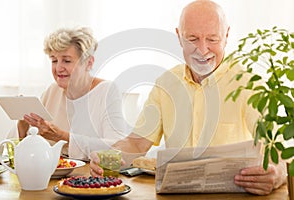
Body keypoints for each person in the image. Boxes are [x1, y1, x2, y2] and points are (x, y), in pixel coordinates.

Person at [89, 0, 287, 195]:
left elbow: (280, 152)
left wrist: (277, 174)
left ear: (226, 35)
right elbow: (137, 143)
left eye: (212, 39)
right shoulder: (165, 84)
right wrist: (106, 157)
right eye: (192, 39)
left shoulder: (250, 85)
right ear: (178, 37)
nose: (202, 50)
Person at [16, 27, 126, 161]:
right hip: (53, 176)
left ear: (88, 63)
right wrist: (22, 126)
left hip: (89, 176)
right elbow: (31, 150)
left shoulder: (106, 91)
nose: (58, 68)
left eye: (67, 61)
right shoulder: (52, 91)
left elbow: (118, 147)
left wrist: (61, 136)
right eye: (54, 60)